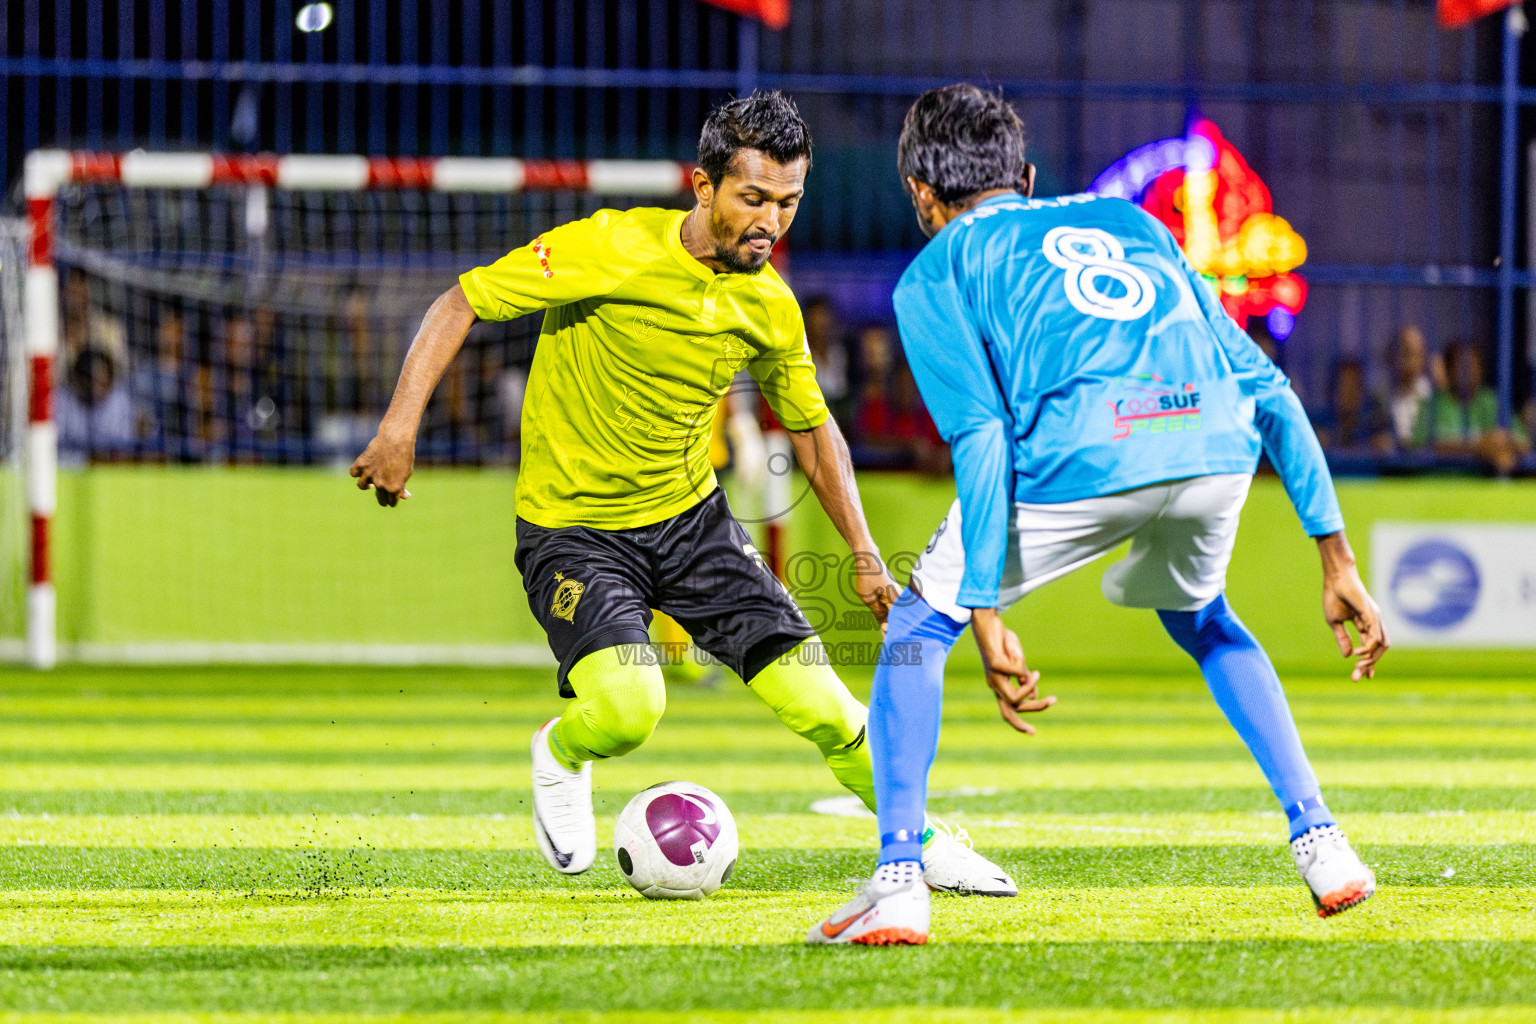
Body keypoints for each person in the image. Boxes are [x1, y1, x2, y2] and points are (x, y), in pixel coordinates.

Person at [350, 91, 1014, 894]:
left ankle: (919, 841)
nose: (772, 221)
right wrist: (398, 429)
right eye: (754, 198)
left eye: (790, 202)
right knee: (630, 707)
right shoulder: (611, 247)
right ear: (703, 186)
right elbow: (461, 302)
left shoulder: (769, 305)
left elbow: (812, 430)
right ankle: (560, 754)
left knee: (828, 707)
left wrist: (867, 557)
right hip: (574, 534)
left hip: (693, 527)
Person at [809, 84, 1389, 946]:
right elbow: (1266, 385)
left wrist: (985, 606)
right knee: (1203, 617)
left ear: (922, 196)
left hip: (1084, 456)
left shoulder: (935, 273)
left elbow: (982, 435)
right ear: (1029, 176)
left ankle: (898, 880)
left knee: (914, 630)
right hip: (1213, 448)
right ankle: (1324, 843)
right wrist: (1335, 559)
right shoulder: (1137, 225)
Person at [1413, 340, 1530, 476]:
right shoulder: (1431, 405)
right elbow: (1422, 446)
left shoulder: (1491, 401)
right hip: (1437, 485)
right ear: (1448, 370)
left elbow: (1523, 444)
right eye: (1462, 365)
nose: (1470, 370)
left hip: (1482, 489)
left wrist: (1502, 441)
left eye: (1474, 364)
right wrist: (1478, 447)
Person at [1384, 326, 1432, 451]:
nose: (1412, 361)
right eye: (1407, 353)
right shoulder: (1381, 396)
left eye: (1418, 354)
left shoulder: (1432, 394)